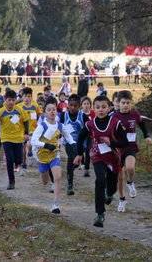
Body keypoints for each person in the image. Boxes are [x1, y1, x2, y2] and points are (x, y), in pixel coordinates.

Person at [73, 95, 128, 228]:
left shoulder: (115, 123)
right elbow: (81, 137)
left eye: (104, 107)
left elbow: (125, 142)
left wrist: (112, 143)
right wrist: (79, 154)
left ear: (109, 108)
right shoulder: (90, 124)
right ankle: (100, 214)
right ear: (94, 109)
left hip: (114, 158)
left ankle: (109, 194)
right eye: (97, 107)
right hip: (98, 156)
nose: (101, 110)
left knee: (112, 187)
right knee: (99, 181)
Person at [31, 98, 76, 214]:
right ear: (44, 113)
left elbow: (68, 136)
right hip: (41, 156)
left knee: (58, 177)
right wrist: (45, 145)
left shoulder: (60, 125)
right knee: (45, 181)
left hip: (54, 155)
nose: (52, 111)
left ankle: (55, 204)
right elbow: (33, 141)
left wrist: (74, 145)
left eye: (54, 109)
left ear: (56, 111)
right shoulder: (42, 126)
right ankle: (43, 174)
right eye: (49, 110)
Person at [113, 90, 152, 212]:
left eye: (128, 103)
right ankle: (121, 200)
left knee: (130, 168)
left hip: (130, 146)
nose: (126, 105)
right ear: (118, 103)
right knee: (120, 176)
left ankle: (130, 183)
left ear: (131, 103)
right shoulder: (114, 116)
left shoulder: (135, 114)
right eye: (123, 103)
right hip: (119, 147)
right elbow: (109, 131)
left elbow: (142, 124)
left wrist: (146, 136)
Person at [0, 90, 30, 190]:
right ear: (5, 99)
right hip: (6, 139)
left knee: (19, 160)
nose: (11, 102)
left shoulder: (19, 110)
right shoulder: (1, 111)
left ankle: (17, 164)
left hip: (18, 138)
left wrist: (26, 133)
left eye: (13, 100)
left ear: (16, 100)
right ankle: (11, 181)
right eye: (9, 100)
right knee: (9, 159)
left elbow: (26, 120)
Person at [59, 94, 89, 195]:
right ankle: (70, 185)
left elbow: (90, 129)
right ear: (68, 106)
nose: (73, 107)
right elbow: (59, 129)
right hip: (69, 142)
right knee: (71, 159)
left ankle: (73, 168)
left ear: (79, 106)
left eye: (75, 106)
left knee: (74, 162)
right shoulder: (64, 115)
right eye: (71, 105)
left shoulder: (83, 116)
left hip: (81, 143)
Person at [17, 87, 42, 176]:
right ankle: (23, 166)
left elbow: (40, 115)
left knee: (30, 144)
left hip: (32, 130)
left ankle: (30, 154)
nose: (27, 98)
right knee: (22, 151)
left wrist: (40, 124)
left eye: (29, 96)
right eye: (25, 96)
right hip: (21, 131)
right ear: (22, 97)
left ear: (31, 97)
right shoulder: (19, 107)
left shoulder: (35, 106)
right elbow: (15, 118)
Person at [80, 96, 95, 177]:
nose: (86, 105)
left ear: (90, 105)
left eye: (88, 104)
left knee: (88, 150)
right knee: (81, 150)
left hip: (90, 135)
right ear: (81, 105)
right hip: (81, 134)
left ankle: (87, 168)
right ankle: (82, 162)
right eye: (84, 104)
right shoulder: (79, 114)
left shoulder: (93, 113)